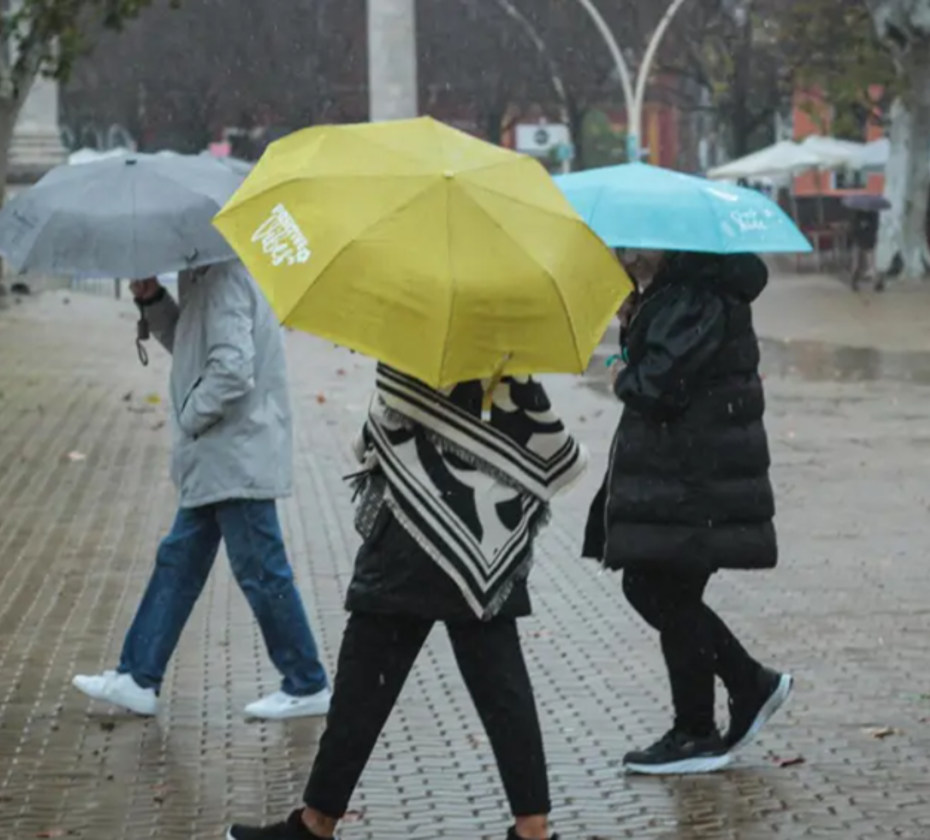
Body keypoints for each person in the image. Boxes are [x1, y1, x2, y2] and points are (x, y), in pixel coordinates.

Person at [227, 363, 587, 840]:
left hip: (407, 543)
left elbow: (383, 428)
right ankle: (533, 830)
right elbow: (541, 441)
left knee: (364, 686)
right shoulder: (507, 339)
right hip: (486, 544)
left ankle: (315, 825)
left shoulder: (422, 334)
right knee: (501, 689)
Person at [72, 262, 331, 721]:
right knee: (180, 562)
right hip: (222, 454)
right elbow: (194, 349)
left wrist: (190, 416)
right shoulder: (204, 274)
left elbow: (232, 367)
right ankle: (138, 677)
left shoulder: (224, 277)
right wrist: (153, 301)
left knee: (261, 570)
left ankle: (306, 681)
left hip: (235, 452)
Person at [583, 249, 793, 776]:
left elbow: (660, 386)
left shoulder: (694, 296)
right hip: (688, 476)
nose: (622, 257)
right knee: (668, 592)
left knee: (659, 590)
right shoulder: (683, 293)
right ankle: (715, 712)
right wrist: (636, 319)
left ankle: (715, 713)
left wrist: (625, 372)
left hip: (694, 480)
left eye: (628, 249)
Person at [849, 209, 881, 292]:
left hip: (868, 241)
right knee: (857, 264)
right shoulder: (857, 214)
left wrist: (866, 226)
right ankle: (854, 282)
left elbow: (875, 227)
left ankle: (876, 282)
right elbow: (853, 227)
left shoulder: (873, 214)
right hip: (860, 240)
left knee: (870, 264)